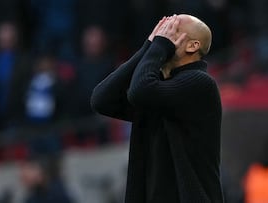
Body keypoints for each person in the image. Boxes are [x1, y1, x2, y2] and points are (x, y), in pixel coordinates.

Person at [91, 14, 223, 202]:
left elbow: (141, 91)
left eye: (173, 31)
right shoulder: (159, 90)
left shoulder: (200, 83)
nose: (164, 35)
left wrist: (159, 46)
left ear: (192, 46)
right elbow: (101, 99)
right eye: (162, 31)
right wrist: (147, 47)